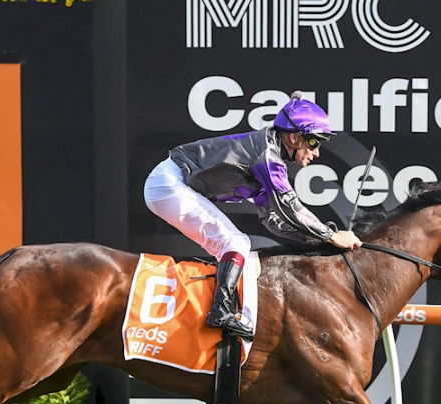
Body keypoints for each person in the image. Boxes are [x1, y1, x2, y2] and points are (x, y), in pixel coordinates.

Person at [143, 91, 362, 340]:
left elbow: (272, 220)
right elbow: (289, 206)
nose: (317, 152)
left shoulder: (269, 156)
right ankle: (220, 311)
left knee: (234, 244)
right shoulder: (267, 156)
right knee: (235, 243)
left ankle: (220, 308)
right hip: (169, 183)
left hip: (169, 184)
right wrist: (330, 235)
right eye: (313, 142)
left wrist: (312, 239)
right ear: (294, 137)